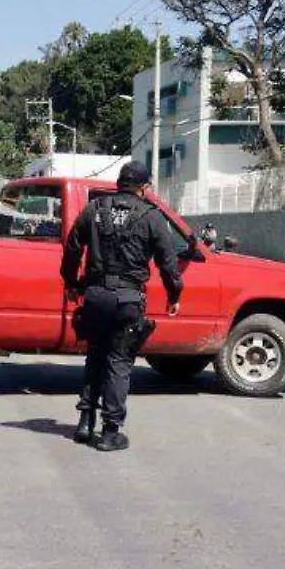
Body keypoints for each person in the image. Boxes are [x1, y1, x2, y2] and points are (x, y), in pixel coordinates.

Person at [61, 163, 184, 452]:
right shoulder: (151, 217)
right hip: (127, 299)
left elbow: (72, 246)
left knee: (95, 356)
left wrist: (72, 282)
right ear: (144, 188)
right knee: (118, 362)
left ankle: (84, 422)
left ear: (119, 184)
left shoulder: (95, 209)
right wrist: (174, 294)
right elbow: (168, 263)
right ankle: (110, 431)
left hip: (95, 295)